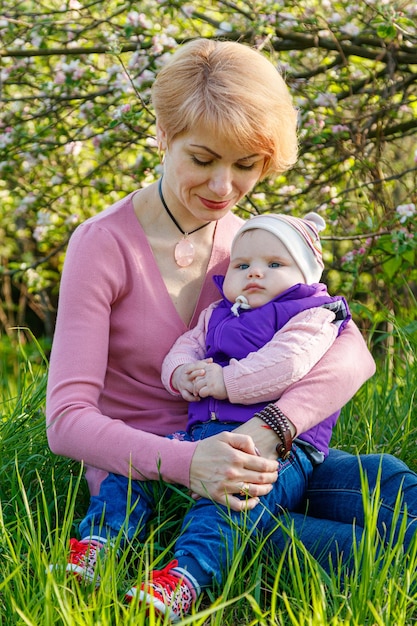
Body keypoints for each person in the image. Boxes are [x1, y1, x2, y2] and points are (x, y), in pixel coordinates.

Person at [45, 37, 417, 619]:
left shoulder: (250, 246)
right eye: (202, 159)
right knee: (368, 551)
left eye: (245, 166)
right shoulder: (104, 245)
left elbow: (352, 353)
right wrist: (193, 464)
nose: (223, 188)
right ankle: (159, 564)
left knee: (390, 484)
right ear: (164, 137)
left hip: (253, 450)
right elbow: (66, 423)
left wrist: (274, 428)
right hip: (154, 479)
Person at [121, 212, 352, 620]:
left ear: (307, 274)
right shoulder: (218, 314)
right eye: (242, 265)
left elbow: (285, 364)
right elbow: (184, 347)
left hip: (280, 448)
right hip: (204, 434)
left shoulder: (312, 313)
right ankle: (101, 540)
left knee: (231, 497)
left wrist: (224, 381)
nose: (255, 274)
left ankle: (187, 577)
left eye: (274, 265)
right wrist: (180, 375)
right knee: (138, 464)